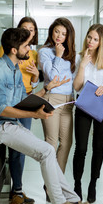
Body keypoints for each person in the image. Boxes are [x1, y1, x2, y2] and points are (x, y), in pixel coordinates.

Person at [0, 28, 102, 204]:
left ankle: (74, 202)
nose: (29, 48)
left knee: (48, 151)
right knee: (46, 151)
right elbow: (0, 110)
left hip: (10, 124)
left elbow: (21, 100)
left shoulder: (14, 70)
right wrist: (32, 113)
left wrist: (45, 90)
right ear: (13, 49)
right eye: (26, 45)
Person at [0, 16, 40, 204]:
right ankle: (14, 192)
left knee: (20, 148)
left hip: (26, 101)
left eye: (31, 29)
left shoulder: (34, 53)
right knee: (9, 146)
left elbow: (35, 81)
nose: (28, 32)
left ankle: (18, 190)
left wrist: (37, 76)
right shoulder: (7, 50)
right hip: (8, 102)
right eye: (24, 28)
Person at [72, 24, 103, 203]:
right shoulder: (79, 57)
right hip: (83, 104)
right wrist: (82, 65)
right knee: (81, 148)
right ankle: (77, 184)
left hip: (101, 105)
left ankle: (92, 184)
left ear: (101, 41)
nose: (91, 41)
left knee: (98, 147)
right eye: (89, 37)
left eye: (96, 39)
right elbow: (76, 86)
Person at [38, 18, 76, 173]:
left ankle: (57, 181)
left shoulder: (71, 54)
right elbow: (53, 78)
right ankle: (50, 184)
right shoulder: (44, 52)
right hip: (52, 100)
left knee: (66, 144)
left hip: (68, 102)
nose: (59, 36)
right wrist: (58, 56)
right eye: (56, 31)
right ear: (51, 31)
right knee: (51, 144)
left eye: (64, 33)